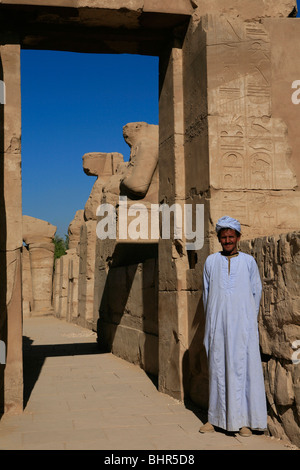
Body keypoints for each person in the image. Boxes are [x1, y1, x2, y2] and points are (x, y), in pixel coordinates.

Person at [199, 215, 267, 437]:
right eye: (223, 237)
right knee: (218, 369)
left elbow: (256, 292)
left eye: (231, 237)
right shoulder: (211, 261)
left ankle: (245, 421)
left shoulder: (248, 262)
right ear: (219, 239)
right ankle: (215, 418)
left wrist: (246, 319)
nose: (227, 241)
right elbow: (207, 295)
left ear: (238, 237)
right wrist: (213, 321)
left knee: (243, 370)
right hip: (217, 325)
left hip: (243, 326)